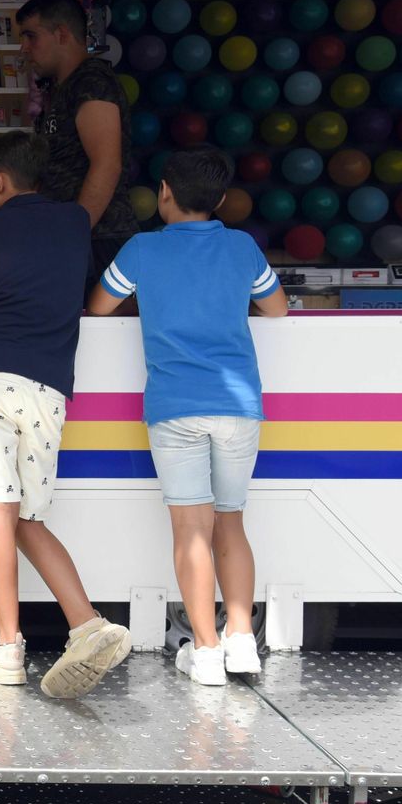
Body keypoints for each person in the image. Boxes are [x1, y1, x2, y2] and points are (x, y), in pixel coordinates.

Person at [88, 146, 287, 686]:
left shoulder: (141, 249)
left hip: (175, 406)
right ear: (220, 199)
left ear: (164, 193)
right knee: (231, 521)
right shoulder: (242, 246)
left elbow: (100, 306)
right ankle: (241, 641)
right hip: (238, 405)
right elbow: (277, 307)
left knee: (192, 530)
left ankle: (205, 651)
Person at [0, 131, 131, 698]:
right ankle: (87, 624)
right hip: (50, 388)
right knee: (28, 517)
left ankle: (8, 647)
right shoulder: (76, 221)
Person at [15, 0, 135, 298]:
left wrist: (74, 234)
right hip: (74, 240)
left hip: (98, 240)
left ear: (61, 33)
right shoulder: (63, 88)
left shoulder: (92, 81)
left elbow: (107, 164)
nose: (24, 48)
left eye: (31, 36)